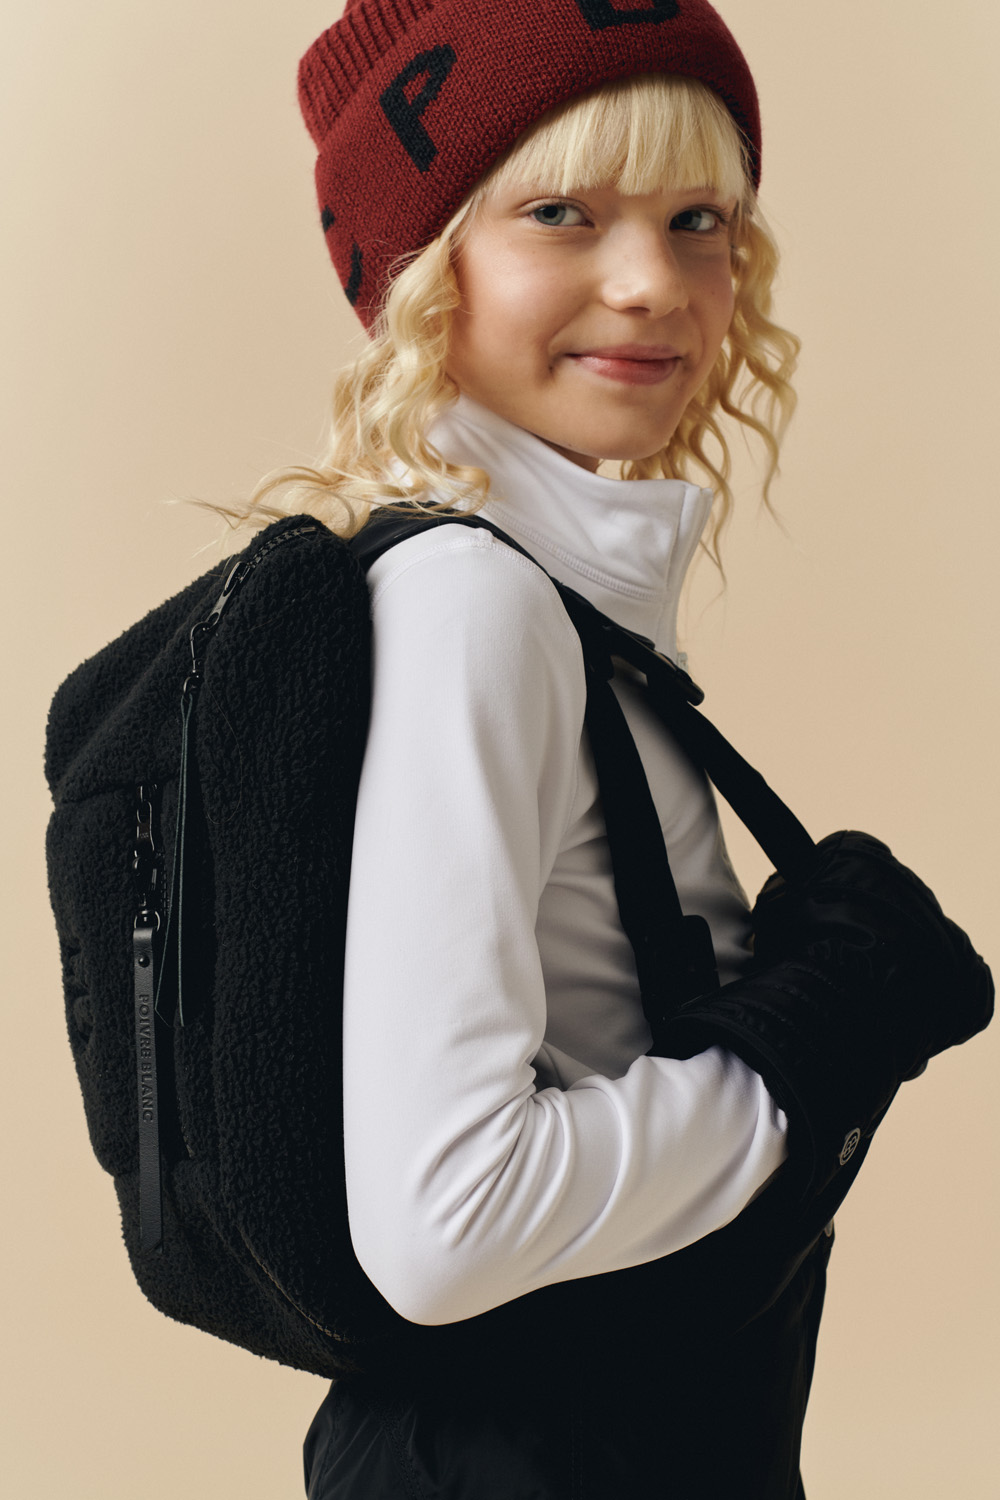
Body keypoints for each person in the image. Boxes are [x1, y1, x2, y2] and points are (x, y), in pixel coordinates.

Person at [222, 3, 990, 1496]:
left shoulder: (552, 597)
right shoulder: (477, 604)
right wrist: (796, 1054)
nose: (651, 283)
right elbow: (446, 1225)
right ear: (425, 269)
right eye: (560, 213)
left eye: (699, 220)